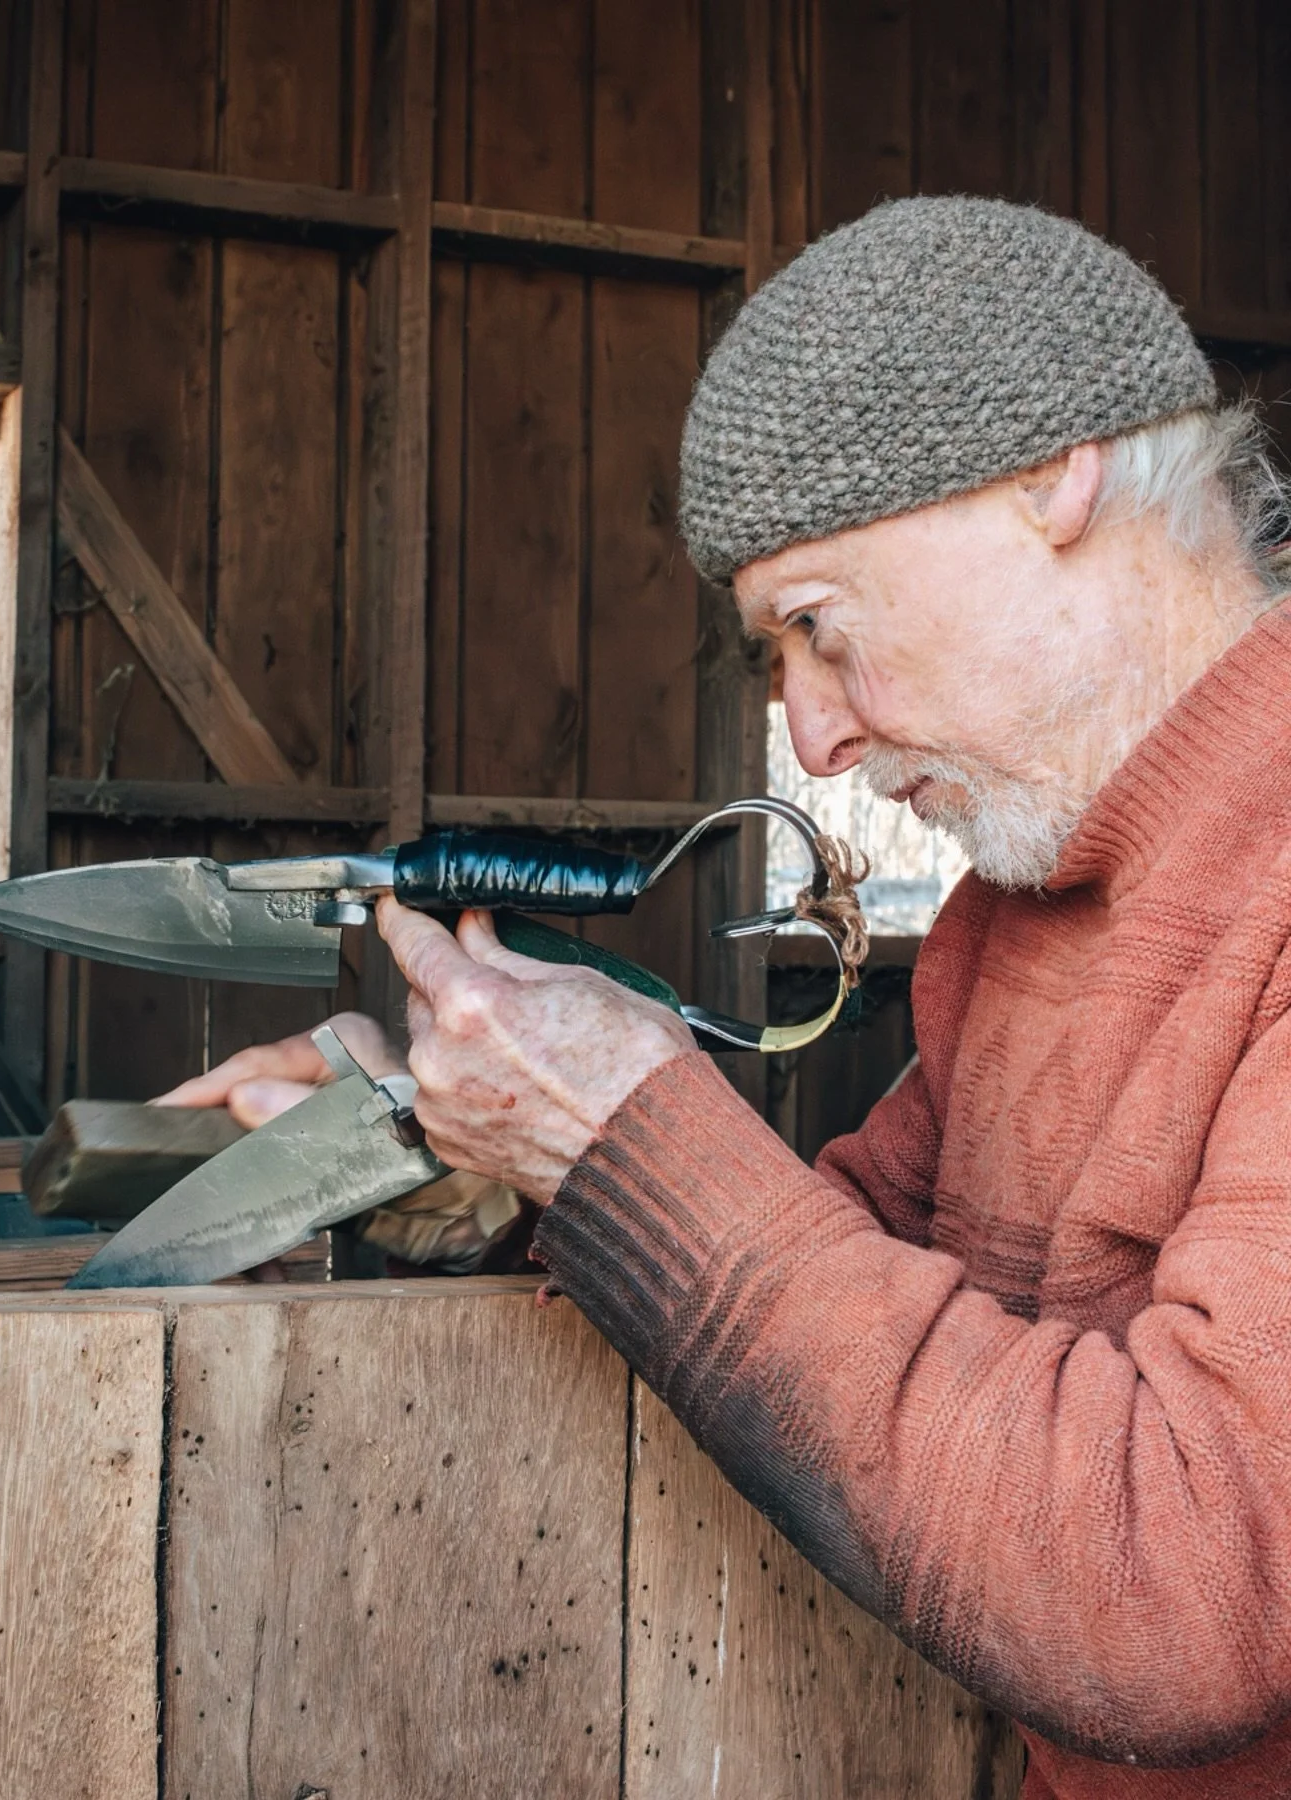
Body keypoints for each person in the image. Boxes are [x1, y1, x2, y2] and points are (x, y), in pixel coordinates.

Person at [162, 198, 1291, 1799]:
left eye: (816, 631)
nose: (815, 740)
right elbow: (834, 1305)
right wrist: (490, 1152)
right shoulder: (1009, 923)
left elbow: (1186, 1585)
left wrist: (624, 1130)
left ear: (1052, 469)